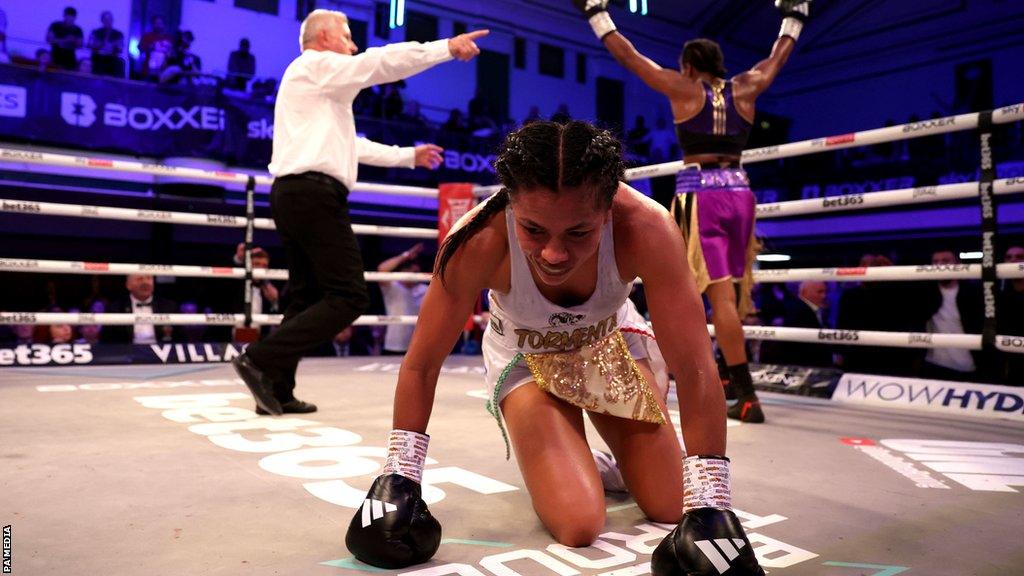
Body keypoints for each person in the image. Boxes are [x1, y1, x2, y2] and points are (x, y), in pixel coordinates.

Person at [344, 121, 764, 575]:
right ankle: (565, 452)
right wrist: (399, 476)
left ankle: (604, 460)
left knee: (670, 504)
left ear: (607, 210)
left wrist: (711, 502)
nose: (553, 254)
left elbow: (697, 366)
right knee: (578, 523)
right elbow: (421, 365)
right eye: (534, 229)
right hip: (525, 358)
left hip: (610, 343)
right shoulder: (477, 238)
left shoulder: (647, 227)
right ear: (512, 204)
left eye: (578, 233)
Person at [231, 9, 488, 417]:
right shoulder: (315, 66)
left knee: (304, 295)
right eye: (347, 36)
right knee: (349, 295)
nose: (353, 46)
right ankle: (261, 359)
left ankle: (276, 390)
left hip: (296, 193)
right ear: (323, 38)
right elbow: (379, 61)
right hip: (312, 193)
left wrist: (408, 156)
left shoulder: (321, 92)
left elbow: (352, 144)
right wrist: (445, 48)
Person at [581, 0, 811, 423]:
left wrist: (597, 13)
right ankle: (728, 380)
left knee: (692, 291)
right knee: (729, 294)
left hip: (700, 194)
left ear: (689, 66)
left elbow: (629, 56)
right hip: (741, 194)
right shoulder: (748, 85)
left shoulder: (685, 89)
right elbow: (778, 55)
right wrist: (794, 15)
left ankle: (740, 393)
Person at [921, 249, 983, 382]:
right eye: (935, 261)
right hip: (933, 365)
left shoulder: (974, 293)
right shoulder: (926, 292)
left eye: (945, 261)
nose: (940, 265)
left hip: (968, 366)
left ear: (957, 264)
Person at [760, 281, 833, 367]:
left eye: (825, 292)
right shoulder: (799, 311)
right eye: (819, 292)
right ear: (804, 293)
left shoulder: (815, 310)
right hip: (805, 365)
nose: (824, 296)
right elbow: (802, 347)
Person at [377, 243, 428, 355]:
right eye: (412, 272)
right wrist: (407, 255)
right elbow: (382, 270)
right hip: (393, 345)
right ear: (402, 272)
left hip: (417, 347)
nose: (414, 276)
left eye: (417, 273)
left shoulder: (424, 289)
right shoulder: (392, 287)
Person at [104, 274, 180, 344]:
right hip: (128, 354)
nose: (145, 282)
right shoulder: (116, 308)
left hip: (161, 353)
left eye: (149, 278)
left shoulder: (169, 306)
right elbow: (108, 340)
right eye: (139, 279)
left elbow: (180, 338)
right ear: (128, 285)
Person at [87, 11, 124, 78]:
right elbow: (90, 45)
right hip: (98, 58)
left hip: (112, 59)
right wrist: (102, 44)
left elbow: (120, 48)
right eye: (105, 19)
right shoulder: (95, 32)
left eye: (109, 19)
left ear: (112, 20)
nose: (107, 21)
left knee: (120, 63)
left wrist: (111, 46)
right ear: (102, 20)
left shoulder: (118, 34)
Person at [46, 6, 83, 71]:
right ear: (64, 16)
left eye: (72, 16)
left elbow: (80, 45)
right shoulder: (55, 25)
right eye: (68, 16)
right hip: (55, 56)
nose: (70, 18)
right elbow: (49, 39)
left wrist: (74, 40)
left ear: (75, 17)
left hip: (70, 59)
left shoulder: (78, 29)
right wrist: (65, 40)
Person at [138, 15, 173, 82]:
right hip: (148, 70)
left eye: (160, 23)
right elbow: (140, 48)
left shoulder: (169, 38)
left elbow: (172, 53)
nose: (158, 25)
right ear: (153, 24)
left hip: (164, 71)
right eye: (156, 23)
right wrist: (150, 47)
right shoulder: (147, 36)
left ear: (164, 24)